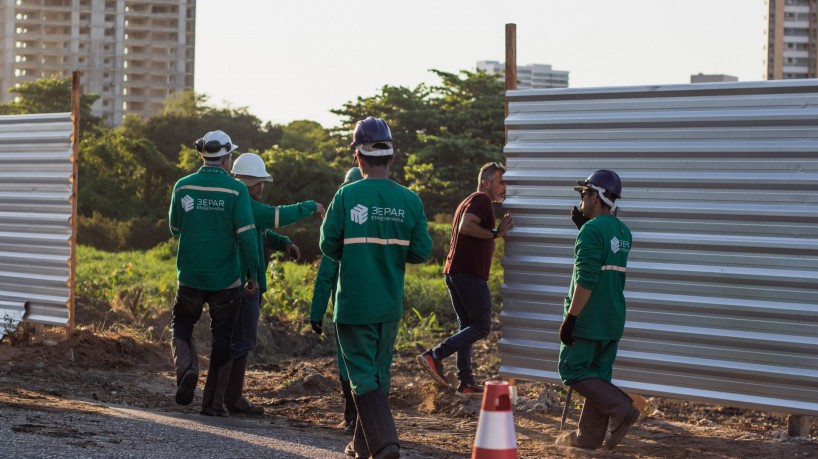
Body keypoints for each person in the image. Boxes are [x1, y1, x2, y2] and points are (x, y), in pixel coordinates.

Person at [320, 117, 432, 459]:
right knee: (378, 376)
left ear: (359, 157)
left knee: (361, 377)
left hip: (354, 305)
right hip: (388, 306)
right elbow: (421, 251)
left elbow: (328, 246)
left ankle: (385, 444)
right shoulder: (410, 200)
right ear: (391, 157)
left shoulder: (346, 195)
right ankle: (362, 446)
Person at [225, 152, 325, 415]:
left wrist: (284, 243)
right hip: (245, 284)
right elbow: (276, 216)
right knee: (242, 341)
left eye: (261, 181)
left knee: (237, 340)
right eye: (255, 181)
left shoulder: (241, 200)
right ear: (244, 182)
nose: (260, 186)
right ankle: (231, 398)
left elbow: (264, 230)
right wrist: (311, 206)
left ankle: (225, 396)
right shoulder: (245, 202)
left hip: (244, 282)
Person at [168, 130, 259, 417]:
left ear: (203, 154)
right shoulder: (236, 190)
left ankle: (187, 369)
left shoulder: (182, 187)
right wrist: (252, 274)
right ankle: (213, 404)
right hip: (226, 282)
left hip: (190, 277)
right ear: (227, 158)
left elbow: (174, 227)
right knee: (223, 338)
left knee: (182, 324)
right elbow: (246, 235)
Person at [555, 169, 639, 450]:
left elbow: (587, 278)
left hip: (589, 319)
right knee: (598, 375)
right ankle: (588, 438)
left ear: (595, 196)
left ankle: (621, 408)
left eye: (584, 193)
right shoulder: (622, 230)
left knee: (572, 369)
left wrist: (571, 319)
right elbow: (603, 260)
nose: (581, 199)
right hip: (612, 318)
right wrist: (585, 228)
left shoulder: (592, 230)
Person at [417, 162, 513, 397]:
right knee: (481, 327)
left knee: (467, 327)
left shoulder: (469, 200)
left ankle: (466, 382)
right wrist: (496, 233)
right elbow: (466, 227)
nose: (505, 188)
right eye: (501, 182)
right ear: (486, 182)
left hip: (456, 272)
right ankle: (435, 355)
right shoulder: (481, 200)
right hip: (468, 273)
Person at [309, 166, 363, 434]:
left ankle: (351, 416)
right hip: (378, 306)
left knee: (347, 361)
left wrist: (316, 313)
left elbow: (325, 278)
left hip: (346, 307)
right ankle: (370, 419)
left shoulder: (337, 230)